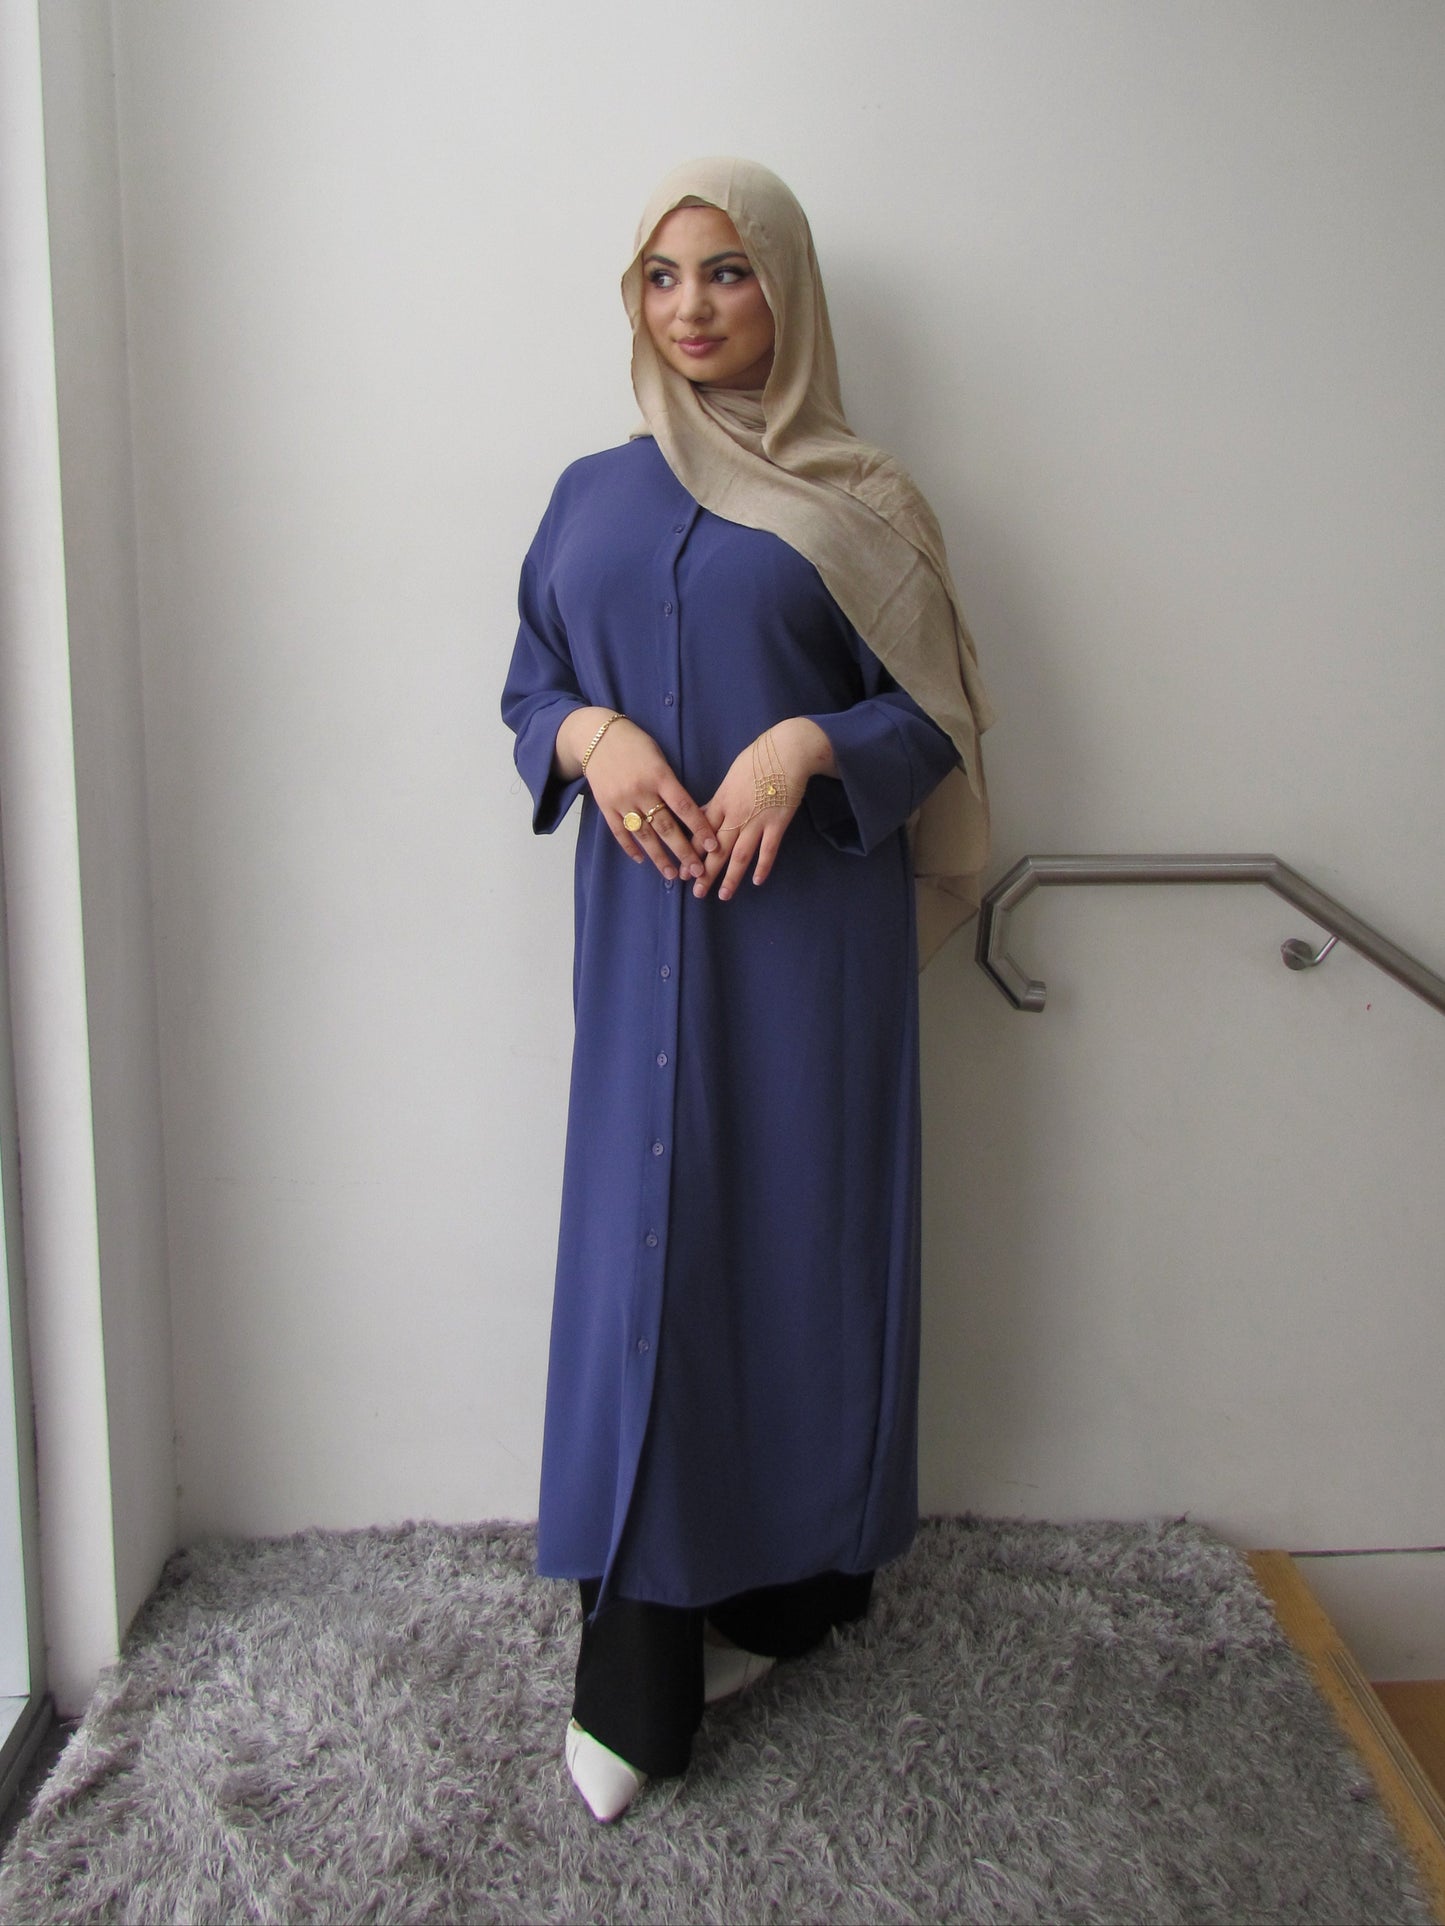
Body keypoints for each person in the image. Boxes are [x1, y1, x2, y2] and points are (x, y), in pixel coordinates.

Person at [501, 157, 994, 1823]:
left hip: (802, 945)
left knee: (790, 1249)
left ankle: (784, 1592)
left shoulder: (863, 497)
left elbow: (933, 717)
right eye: (661, 275)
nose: (692, 306)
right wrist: (592, 734)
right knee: (639, 1259)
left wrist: (804, 744)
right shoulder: (588, 493)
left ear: (786, 289)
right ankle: (639, 1652)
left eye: (727, 271)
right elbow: (528, 682)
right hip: (640, 931)